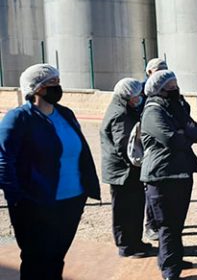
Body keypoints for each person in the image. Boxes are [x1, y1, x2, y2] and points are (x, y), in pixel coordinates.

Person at [0, 64, 101, 279]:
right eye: (51, 83)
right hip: (36, 203)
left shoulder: (66, 114)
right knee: (36, 260)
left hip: (72, 200)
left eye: (58, 81)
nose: (57, 87)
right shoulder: (19, 118)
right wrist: (17, 199)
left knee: (56, 257)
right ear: (35, 88)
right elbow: (4, 161)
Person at [141, 70, 197, 280]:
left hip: (182, 173)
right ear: (160, 89)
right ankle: (170, 270)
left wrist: (183, 132)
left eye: (176, 83)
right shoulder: (152, 111)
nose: (175, 88)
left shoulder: (176, 108)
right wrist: (183, 133)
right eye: (171, 85)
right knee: (167, 225)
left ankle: (172, 258)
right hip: (161, 176)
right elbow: (171, 140)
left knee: (177, 224)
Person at [101, 77, 153, 257]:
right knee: (125, 210)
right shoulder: (120, 114)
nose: (140, 98)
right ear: (128, 96)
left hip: (128, 170)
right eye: (137, 95)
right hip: (123, 172)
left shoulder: (125, 108)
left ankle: (136, 242)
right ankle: (126, 246)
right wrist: (141, 162)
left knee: (136, 207)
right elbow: (125, 145)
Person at [142, 57, 168, 241]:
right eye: (159, 69)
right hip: (153, 150)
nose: (162, 71)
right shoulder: (145, 93)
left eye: (164, 68)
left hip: (169, 158)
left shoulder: (170, 91)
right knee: (152, 194)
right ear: (149, 72)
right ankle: (150, 225)